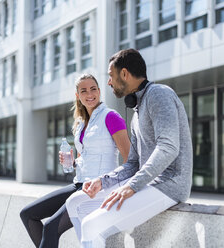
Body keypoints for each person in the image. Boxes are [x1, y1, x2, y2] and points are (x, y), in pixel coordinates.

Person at [66, 49, 193, 248]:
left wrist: (132, 186)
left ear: (124, 74)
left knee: (91, 224)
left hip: (169, 184)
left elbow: (168, 147)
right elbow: (133, 163)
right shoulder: (137, 112)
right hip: (147, 182)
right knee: (74, 203)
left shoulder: (159, 94)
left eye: (111, 76)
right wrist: (103, 181)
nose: (108, 82)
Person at [19, 74, 130, 248]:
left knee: (50, 227)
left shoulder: (111, 117)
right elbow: (85, 157)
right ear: (78, 95)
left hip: (99, 188)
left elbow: (129, 157)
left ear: (100, 91)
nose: (90, 94)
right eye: (84, 91)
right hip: (79, 184)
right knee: (27, 214)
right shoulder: (81, 123)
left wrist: (123, 189)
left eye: (93, 89)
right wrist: (72, 162)